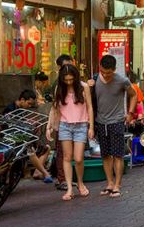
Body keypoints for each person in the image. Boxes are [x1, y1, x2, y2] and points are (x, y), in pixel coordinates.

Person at [46, 64, 94, 201]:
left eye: (71, 79)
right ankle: (69, 188)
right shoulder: (59, 89)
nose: (68, 82)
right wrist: (49, 127)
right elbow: (54, 109)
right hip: (64, 125)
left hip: (81, 125)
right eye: (66, 80)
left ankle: (80, 182)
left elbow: (90, 107)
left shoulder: (83, 87)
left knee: (78, 158)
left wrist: (91, 127)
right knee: (67, 157)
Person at [94, 55, 137, 198]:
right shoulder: (94, 80)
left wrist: (130, 113)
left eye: (109, 73)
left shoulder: (122, 81)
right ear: (99, 68)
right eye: (103, 72)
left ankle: (118, 185)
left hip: (117, 121)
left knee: (118, 155)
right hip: (100, 122)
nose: (105, 75)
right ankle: (109, 183)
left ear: (114, 70)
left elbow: (134, 95)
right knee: (105, 155)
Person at [2, 90, 53, 183]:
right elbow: (8, 126)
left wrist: (30, 125)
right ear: (22, 100)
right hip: (12, 138)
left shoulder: (20, 109)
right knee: (30, 150)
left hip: (22, 137)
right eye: (28, 103)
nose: (29, 106)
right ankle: (45, 173)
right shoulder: (10, 109)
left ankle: (38, 172)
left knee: (46, 148)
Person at [49, 54, 74, 191]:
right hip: (62, 122)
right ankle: (62, 179)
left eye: (70, 65)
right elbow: (54, 106)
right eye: (66, 66)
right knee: (62, 152)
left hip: (73, 123)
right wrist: (51, 125)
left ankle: (66, 178)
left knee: (69, 153)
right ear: (59, 68)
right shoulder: (58, 84)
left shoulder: (73, 80)